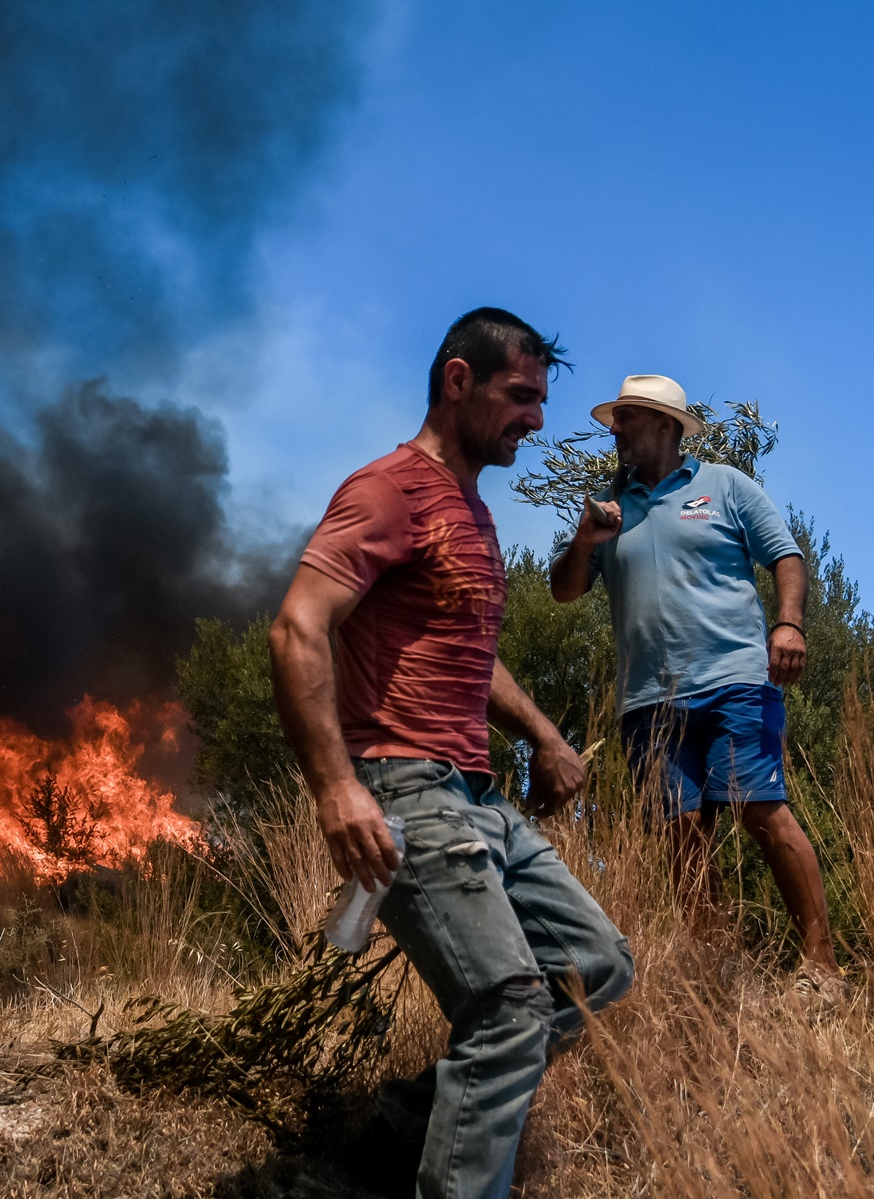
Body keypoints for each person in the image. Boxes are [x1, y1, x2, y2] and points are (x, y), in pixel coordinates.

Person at [269, 308, 634, 1199]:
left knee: (599, 967)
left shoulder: (471, 511)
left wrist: (543, 734)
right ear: (458, 382)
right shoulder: (389, 488)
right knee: (509, 1006)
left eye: (542, 401)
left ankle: (408, 1126)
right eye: (521, 396)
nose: (536, 421)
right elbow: (298, 626)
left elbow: (468, 650)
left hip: (480, 794)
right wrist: (336, 790)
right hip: (404, 787)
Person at [548, 374, 839, 980]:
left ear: (665, 425)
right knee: (680, 832)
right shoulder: (610, 507)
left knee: (759, 810)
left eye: (627, 419)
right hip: (647, 701)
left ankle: (822, 967)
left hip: (734, 679)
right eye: (616, 419)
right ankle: (721, 974)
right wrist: (584, 538)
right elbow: (565, 591)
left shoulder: (725, 486)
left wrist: (790, 625)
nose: (616, 431)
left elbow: (786, 555)